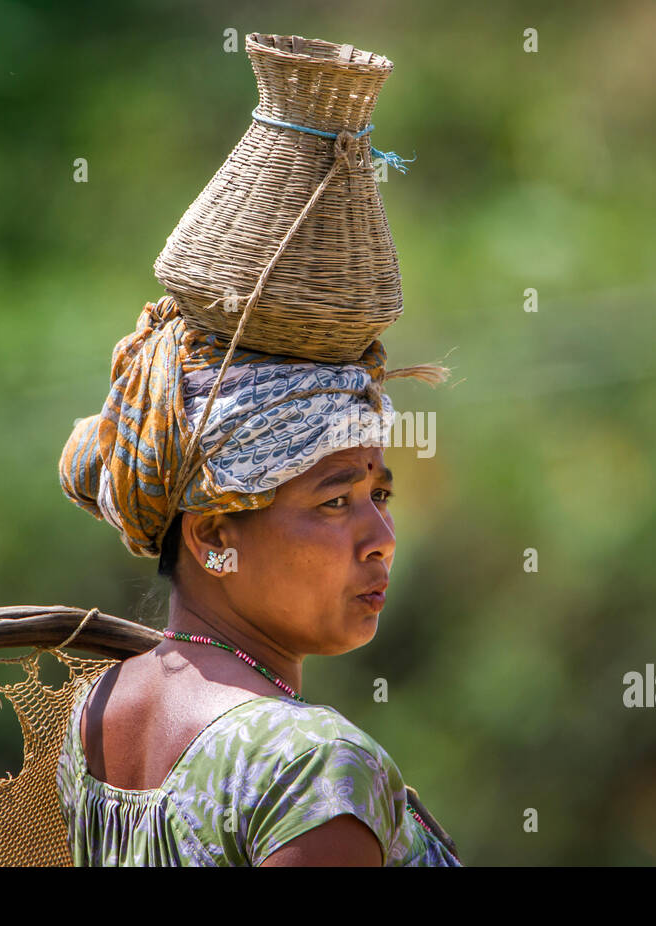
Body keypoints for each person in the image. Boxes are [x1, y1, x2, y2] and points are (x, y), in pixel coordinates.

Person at [55, 295, 460, 866]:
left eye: (381, 496)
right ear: (216, 536)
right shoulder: (312, 766)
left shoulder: (98, 713)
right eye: (336, 501)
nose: (382, 537)